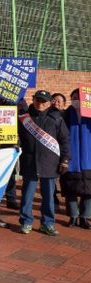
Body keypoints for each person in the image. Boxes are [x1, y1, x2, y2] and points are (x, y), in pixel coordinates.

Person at [18, 90, 70, 236]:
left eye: (43, 101)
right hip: (30, 162)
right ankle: (26, 222)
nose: (40, 104)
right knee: (27, 195)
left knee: (48, 196)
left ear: (49, 103)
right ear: (33, 100)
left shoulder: (56, 118)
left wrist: (65, 160)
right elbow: (18, 137)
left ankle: (47, 224)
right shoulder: (24, 118)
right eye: (38, 100)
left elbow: (65, 140)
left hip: (50, 162)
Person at [60, 89, 91, 229]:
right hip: (70, 158)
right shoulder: (65, 114)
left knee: (89, 190)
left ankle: (85, 216)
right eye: (73, 98)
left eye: (79, 98)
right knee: (69, 189)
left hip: (88, 158)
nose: (76, 100)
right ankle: (73, 216)